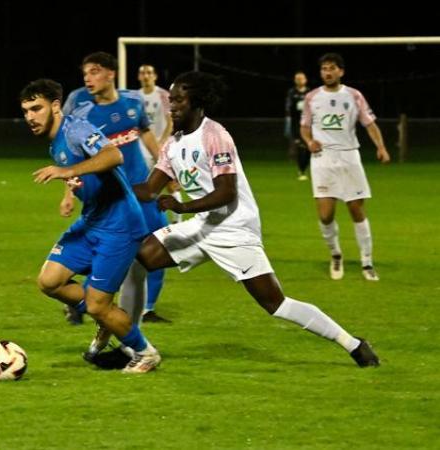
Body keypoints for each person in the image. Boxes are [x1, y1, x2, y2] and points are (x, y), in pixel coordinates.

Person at [133, 70, 380, 368]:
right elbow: (148, 189)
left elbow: (227, 193)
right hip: (201, 226)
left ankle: (352, 344)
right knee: (138, 257)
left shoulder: (215, 136)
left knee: (275, 304)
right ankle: (129, 344)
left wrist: (182, 208)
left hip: (233, 228)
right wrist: (101, 181)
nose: (171, 106)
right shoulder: (173, 144)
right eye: (170, 100)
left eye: (178, 100)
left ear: (197, 102)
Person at [20, 78, 161, 373]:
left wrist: (67, 171)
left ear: (56, 106)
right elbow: (80, 174)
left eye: (36, 108)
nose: (30, 117)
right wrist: (70, 190)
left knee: (98, 305)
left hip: (120, 224)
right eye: (26, 111)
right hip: (93, 220)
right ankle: (109, 320)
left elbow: (113, 155)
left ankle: (144, 351)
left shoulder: (76, 128)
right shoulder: (55, 141)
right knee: (49, 281)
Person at [69, 51, 170, 338]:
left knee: (160, 251)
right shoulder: (82, 113)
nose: (88, 78)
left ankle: (146, 311)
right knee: (111, 256)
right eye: (85, 73)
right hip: (112, 198)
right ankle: (87, 302)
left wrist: (166, 172)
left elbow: (148, 137)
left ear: (111, 73)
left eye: (94, 71)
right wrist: (68, 191)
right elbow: (76, 157)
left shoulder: (132, 103)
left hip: (143, 192)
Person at [300, 53, 391, 281]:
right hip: (323, 158)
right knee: (325, 215)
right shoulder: (312, 97)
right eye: (324, 69)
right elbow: (304, 127)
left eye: (331, 68)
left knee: (356, 210)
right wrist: (309, 141)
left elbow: (369, 124)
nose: (327, 72)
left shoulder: (354, 95)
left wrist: (381, 147)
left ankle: (367, 262)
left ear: (341, 71)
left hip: (349, 157)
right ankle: (336, 255)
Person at [137, 64, 180, 322]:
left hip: (160, 151)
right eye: (141, 73)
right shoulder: (132, 97)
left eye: (149, 72)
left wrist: (163, 142)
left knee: (169, 189)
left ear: (155, 75)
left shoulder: (163, 95)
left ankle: (177, 226)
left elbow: (172, 120)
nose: (145, 76)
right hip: (142, 159)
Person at [284, 71, 311, 180]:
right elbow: (289, 109)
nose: (299, 80)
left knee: (309, 147)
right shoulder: (292, 93)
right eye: (297, 79)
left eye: (301, 78)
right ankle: (301, 171)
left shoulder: (309, 92)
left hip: (309, 124)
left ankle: (306, 168)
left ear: (305, 80)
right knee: (300, 147)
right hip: (297, 124)